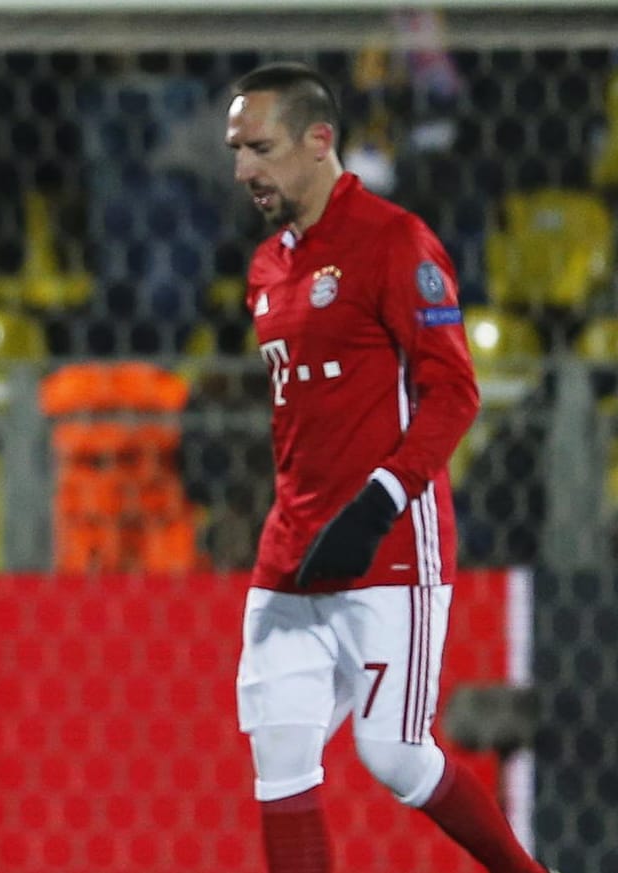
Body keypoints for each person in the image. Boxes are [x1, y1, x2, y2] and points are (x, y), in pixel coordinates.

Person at [226, 62, 546, 873]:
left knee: (395, 755)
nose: (243, 170)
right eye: (236, 150)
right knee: (281, 754)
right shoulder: (268, 268)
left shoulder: (396, 241)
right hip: (291, 553)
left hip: (391, 546)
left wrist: (374, 507)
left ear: (319, 139)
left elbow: (455, 393)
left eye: (259, 147)